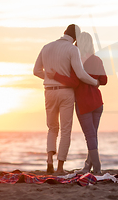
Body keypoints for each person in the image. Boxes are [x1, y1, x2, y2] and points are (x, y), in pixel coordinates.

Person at [33, 24, 99, 175]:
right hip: (66, 92)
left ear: (64, 33)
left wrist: (50, 78)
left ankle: (49, 160)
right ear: (76, 37)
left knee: (52, 128)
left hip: (49, 91)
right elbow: (80, 74)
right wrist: (94, 82)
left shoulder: (46, 47)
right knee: (65, 130)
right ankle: (60, 167)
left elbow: (36, 71)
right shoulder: (72, 49)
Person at [46, 32, 107, 175]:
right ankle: (88, 166)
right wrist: (94, 79)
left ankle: (97, 168)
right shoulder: (97, 59)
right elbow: (104, 81)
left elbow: (73, 82)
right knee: (93, 135)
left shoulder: (76, 60)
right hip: (97, 102)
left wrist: (56, 75)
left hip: (84, 103)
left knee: (90, 136)